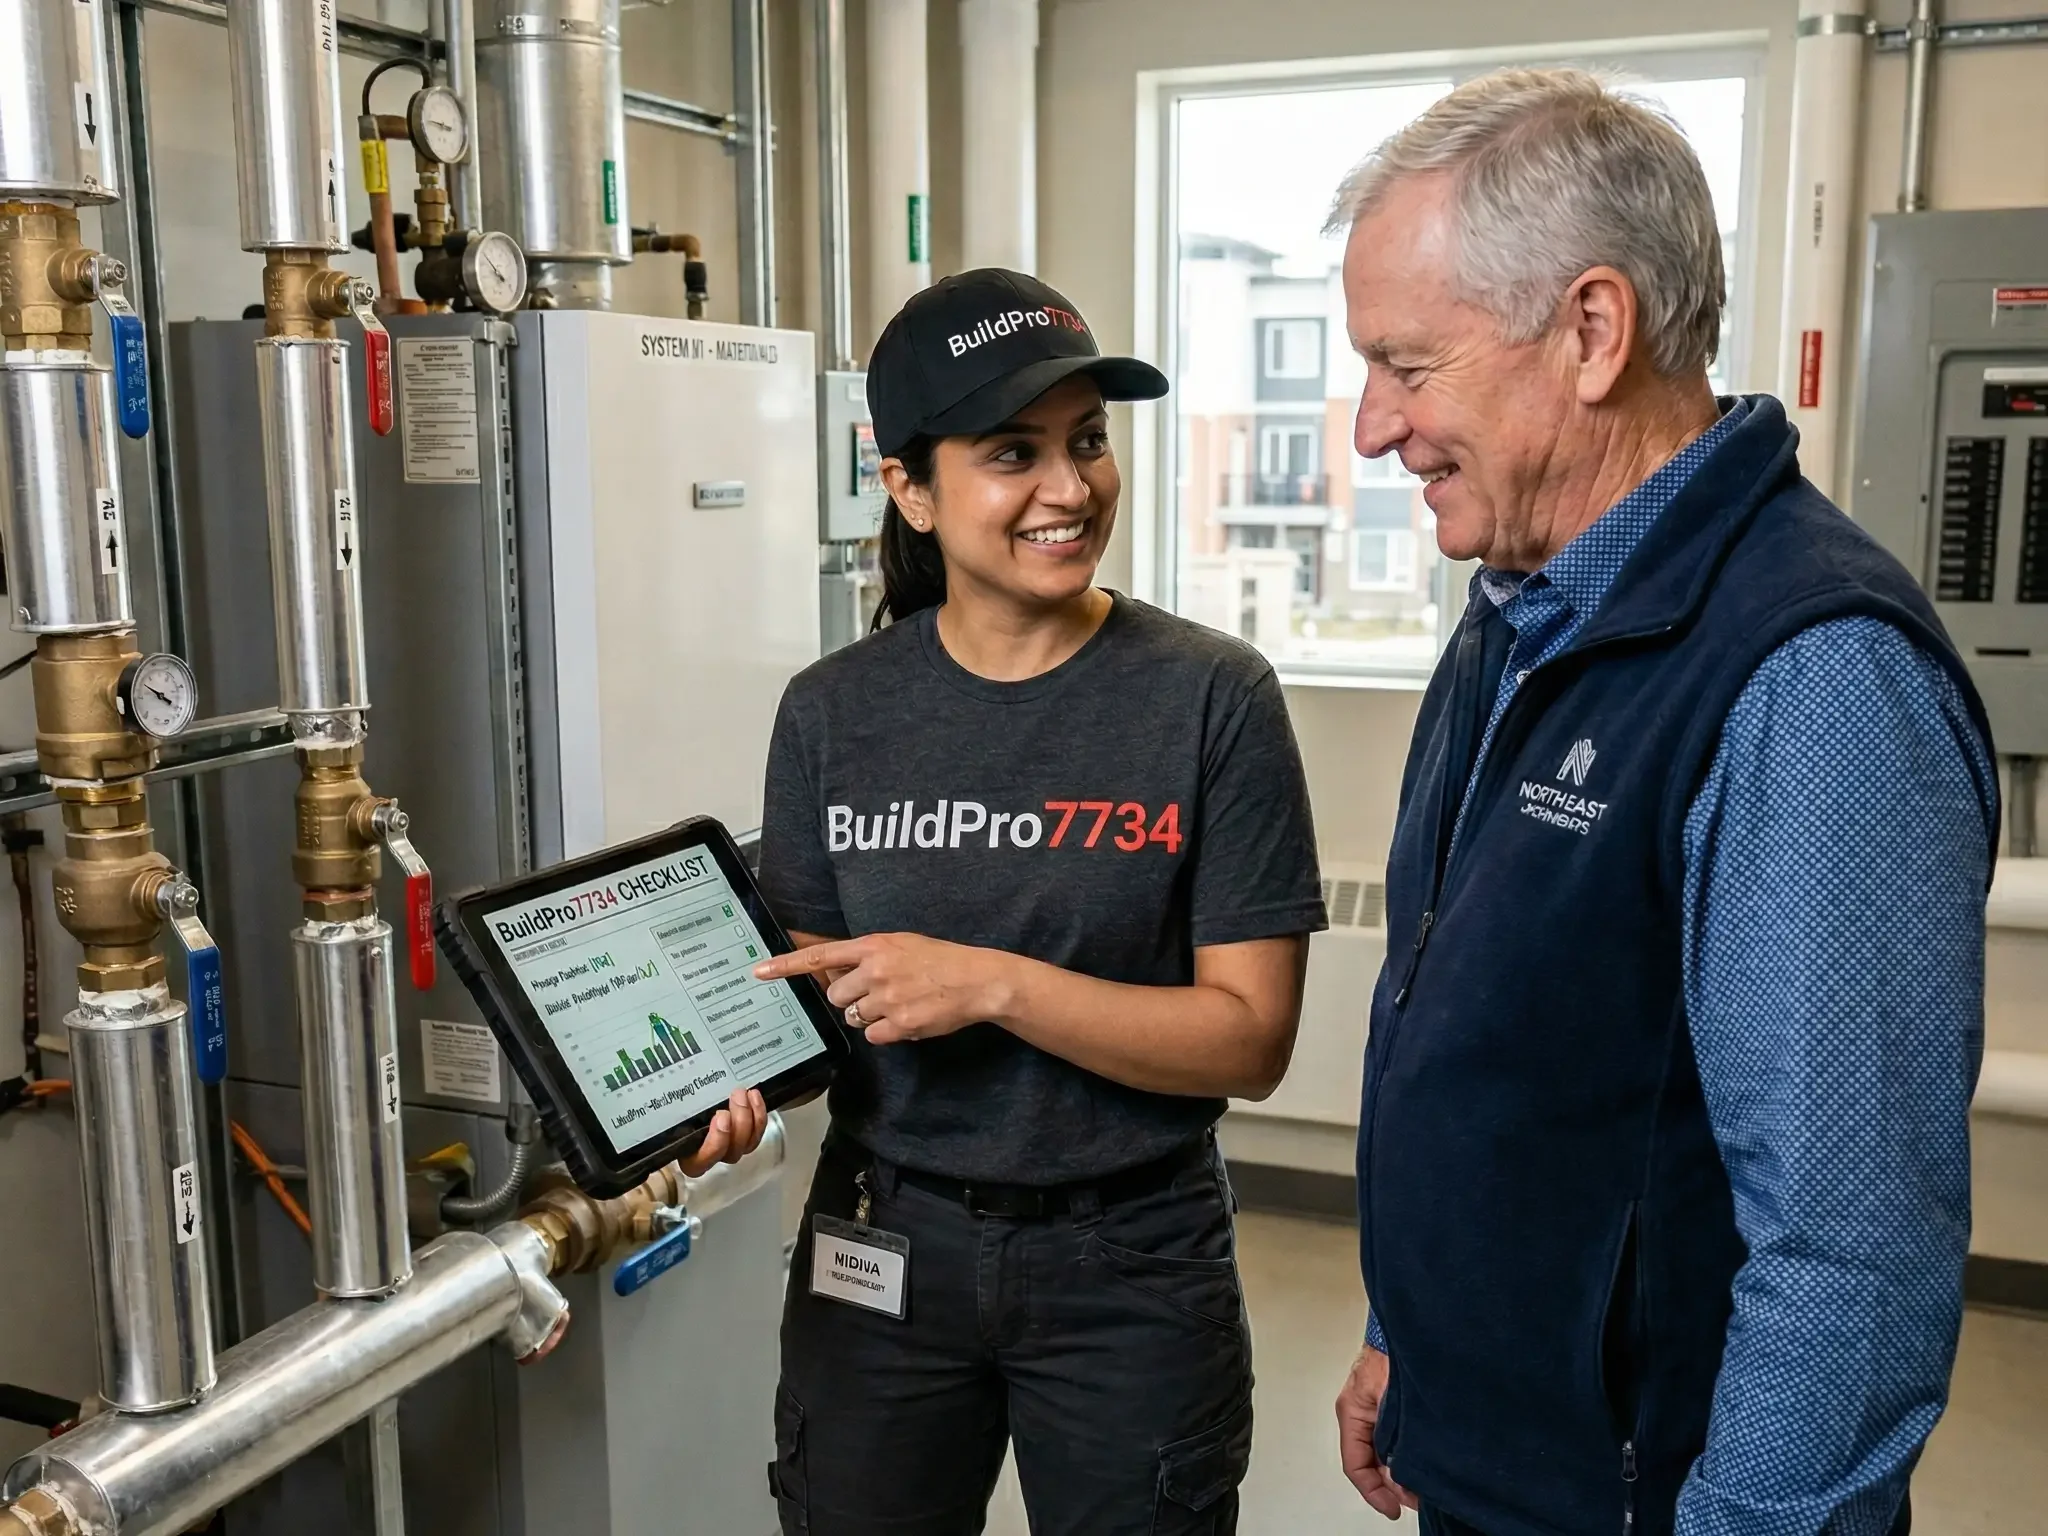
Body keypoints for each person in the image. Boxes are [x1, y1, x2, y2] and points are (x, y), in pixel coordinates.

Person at [1325, 69, 1998, 1536]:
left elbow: (1851, 1258)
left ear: (1591, 329)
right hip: (1493, 1458)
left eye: (1408, 365)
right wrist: (1407, 1332)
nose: (1373, 428)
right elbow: (1481, 1029)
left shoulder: (1812, 680)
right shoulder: (1521, 602)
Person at [748, 267, 1325, 1536]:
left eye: (1087, 441)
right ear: (906, 483)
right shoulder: (833, 711)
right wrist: (718, 1090)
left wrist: (995, 987)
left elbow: (1250, 1040)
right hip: (880, 1239)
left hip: (1131, 1258)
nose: (1069, 489)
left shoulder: (1210, 699)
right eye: (1015, 451)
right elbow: (810, 997)